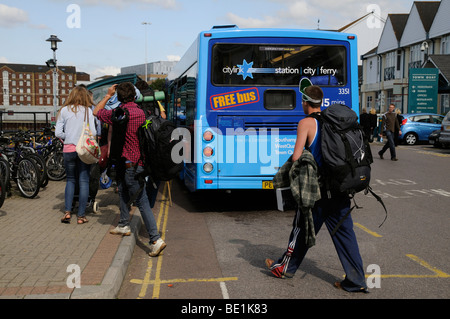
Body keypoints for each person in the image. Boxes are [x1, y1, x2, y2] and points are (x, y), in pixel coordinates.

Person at [265, 81, 368, 293]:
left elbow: (296, 156)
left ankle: (285, 268)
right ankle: (356, 280)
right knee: (345, 235)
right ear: (320, 102)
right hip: (340, 188)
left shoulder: (306, 123)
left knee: (300, 228)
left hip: (318, 191)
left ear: (305, 102)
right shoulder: (334, 122)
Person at [94, 82, 166, 257]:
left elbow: (96, 112)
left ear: (118, 97)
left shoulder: (118, 113)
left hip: (128, 164)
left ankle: (156, 239)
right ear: (135, 96)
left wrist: (107, 95)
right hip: (138, 162)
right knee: (123, 190)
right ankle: (124, 224)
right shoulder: (141, 113)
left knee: (141, 201)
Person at [55, 85, 97, 224]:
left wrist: (69, 137)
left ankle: (67, 212)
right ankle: (81, 216)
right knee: (84, 181)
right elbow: (94, 133)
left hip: (68, 150)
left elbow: (58, 133)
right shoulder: (88, 111)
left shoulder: (64, 110)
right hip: (83, 150)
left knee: (71, 180)